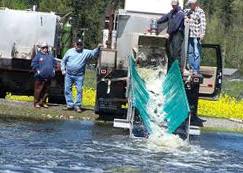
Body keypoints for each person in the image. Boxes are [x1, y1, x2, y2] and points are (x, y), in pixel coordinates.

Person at [61, 38, 102, 113]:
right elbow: (63, 61)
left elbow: (94, 53)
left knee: (79, 90)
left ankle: (77, 106)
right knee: (67, 89)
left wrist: (98, 48)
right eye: (78, 44)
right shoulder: (69, 51)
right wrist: (63, 70)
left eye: (80, 44)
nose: (79, 46)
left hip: (79, 76)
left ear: (82, 45)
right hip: (68, 74)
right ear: (75, 44)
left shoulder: (85, 52)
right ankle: (70, 105)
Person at [157, 0, 185, 71]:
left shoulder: (180, 13)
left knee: (176, 53)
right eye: (172, 5)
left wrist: (168, 33)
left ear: (178, 4)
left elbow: (175, 25)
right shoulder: (172, 12)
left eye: (175, 5)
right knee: (170, 53)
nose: (173, 6)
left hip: (177, 35)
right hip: (172, 35)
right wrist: (157, 21)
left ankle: (177, 70)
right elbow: (165, 17)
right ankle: (170, 70)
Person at [31, 42, 57, 108]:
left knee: (46, 90)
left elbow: (54, 63)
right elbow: (33, 64)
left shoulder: (50, 56)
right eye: (43, 47)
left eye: (46, 47)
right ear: (41, 48)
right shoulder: (38, 56)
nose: (45, 49)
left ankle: (43, 102)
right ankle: (36, 103)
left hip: (48, 76)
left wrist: (53, 70)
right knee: (38, 90)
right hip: (40, 76)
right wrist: (38, 71)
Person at [184, 0, 206, 74]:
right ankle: (191, 68)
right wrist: (186, 18)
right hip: (190, 36)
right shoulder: (187, 11)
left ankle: (196, 69)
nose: (189, 6)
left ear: (195, 4)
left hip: (197, 36)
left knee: (196, 53)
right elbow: (182, 14)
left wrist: (202, 33)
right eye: (189, 4)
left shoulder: (200, 12)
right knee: (190, 53)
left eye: (190, 4)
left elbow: (203, 23)